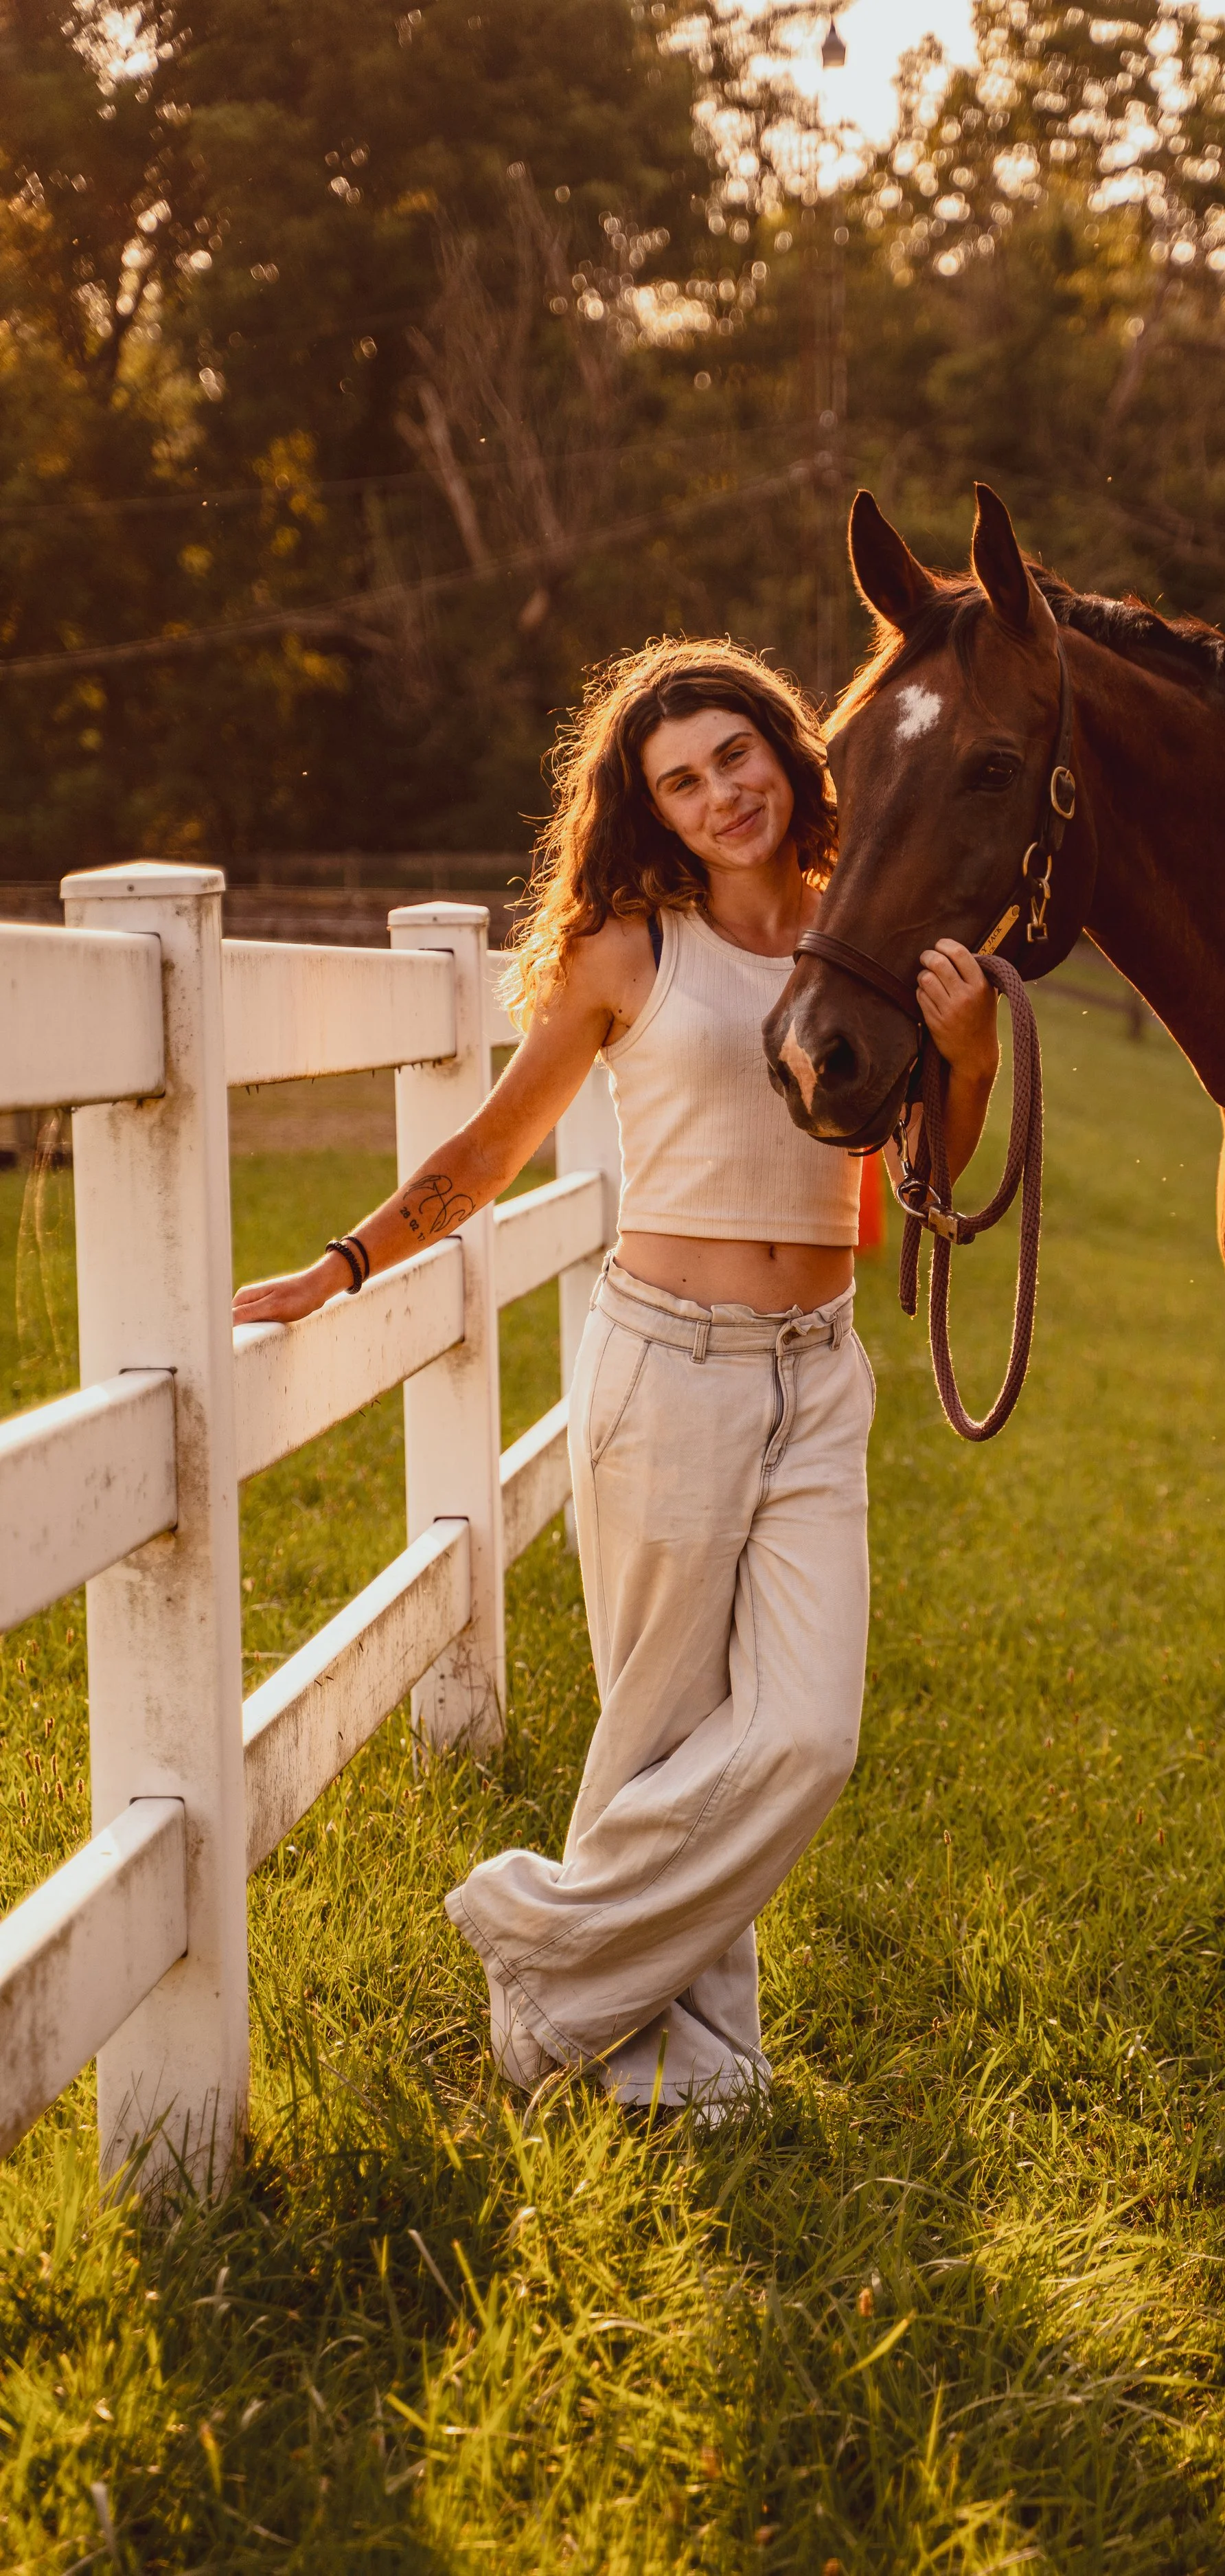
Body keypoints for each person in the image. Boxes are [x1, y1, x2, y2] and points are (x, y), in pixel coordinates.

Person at [233, 637, 1000, 2117]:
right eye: (682, 779)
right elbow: (486, 1153)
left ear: (785, 752)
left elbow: (921, 1184)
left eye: (736, 757)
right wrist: (342, 1265)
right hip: (670, 1369)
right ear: (648, 806)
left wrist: (962, 1059)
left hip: (817, 1378)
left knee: (804, 1737)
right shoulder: (631, 951)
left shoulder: (864, 933)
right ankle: (682, 2062)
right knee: (661, 1731)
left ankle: (543, 1951)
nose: (721, 794)